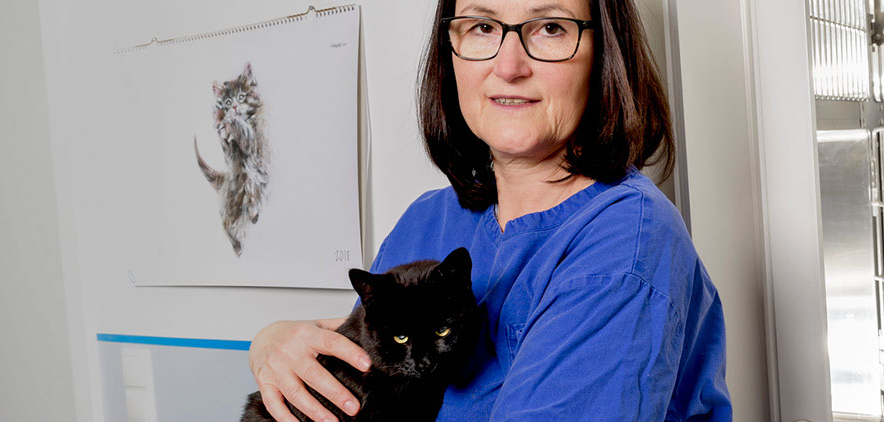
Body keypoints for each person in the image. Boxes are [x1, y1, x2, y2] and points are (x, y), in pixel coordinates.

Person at [248, 0, 732, 420]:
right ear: (450, 51)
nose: (509, 65)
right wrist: (272, 344)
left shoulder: (624, 244)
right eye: (482, 26)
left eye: (550, 27)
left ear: (605, 52)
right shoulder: (426, 220)